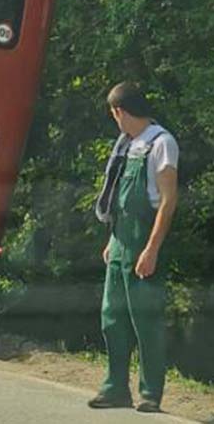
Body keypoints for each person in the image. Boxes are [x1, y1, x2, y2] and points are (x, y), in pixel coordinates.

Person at [89, 82, 179, 413]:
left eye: (114, 114)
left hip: (145, 238)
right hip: (121, 238)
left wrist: (152, 249)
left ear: (120, 111)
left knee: (147, 320)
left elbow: (169, 201)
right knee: (112, 316)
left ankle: (150, 393)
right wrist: (112, 239)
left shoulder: (161, 142)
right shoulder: (129, 143)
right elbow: (118, 200)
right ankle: (114, 388)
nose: (115, 120)